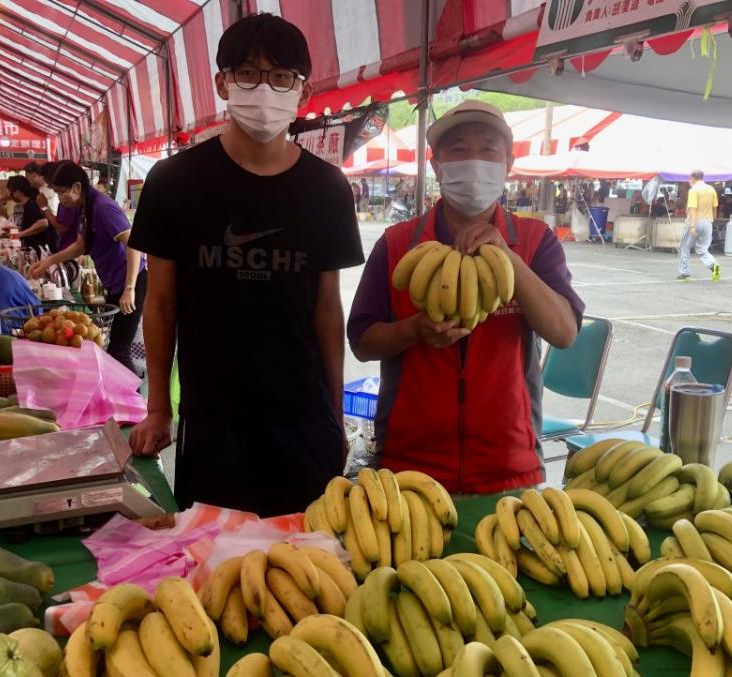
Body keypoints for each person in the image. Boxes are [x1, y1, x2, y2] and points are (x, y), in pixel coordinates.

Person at [126, 12, 363, 516]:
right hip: (213, 420)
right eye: (248, 74)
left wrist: (335, 418)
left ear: (303, 90)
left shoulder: (328, 188)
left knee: (306, 568)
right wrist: (157, 409)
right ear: (222, 82)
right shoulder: (174, 182)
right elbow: (161, 303)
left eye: (281, 77)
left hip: (301, 416)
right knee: (213, 566)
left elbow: (327, 310)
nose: (264, 89)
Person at [347, 100, 584, 493]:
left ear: (507, 165)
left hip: (510, 465)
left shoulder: (534, 241)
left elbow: (564, 332)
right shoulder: (398, 244)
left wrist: (507, 257)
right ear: (437, 165)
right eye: (458, 149)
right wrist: (414, 330)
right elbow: (362, 342)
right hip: (409, 467)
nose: (474, 160)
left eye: (488, 149)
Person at [28, 161, 145, 371]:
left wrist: (130, 289)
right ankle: (123, 397)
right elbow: (81, 245)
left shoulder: (103, 207)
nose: (61, 200)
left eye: (62, 193)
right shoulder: (86, 207)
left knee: (119, 349)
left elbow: (134, 245)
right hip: (116, 281)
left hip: (132, 279)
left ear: (77, 187)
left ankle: (134, 400)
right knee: (115, 349)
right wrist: (49, 261)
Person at [678, 170, 721, 281]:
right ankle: (713, 265)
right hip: (708, 222)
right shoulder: (711, 189)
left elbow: (693, 209)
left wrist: (692, 226)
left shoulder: (694, 190)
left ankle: (684, 273)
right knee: (702, 248)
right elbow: (714, 207)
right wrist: (713, 220)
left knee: (685, 247)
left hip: (695, 221)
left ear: (692, 178)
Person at [6, 176, 55, 252]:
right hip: (32, 248)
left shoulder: (32, 205)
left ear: (18, 191)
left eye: (11, 191)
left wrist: (21, 234)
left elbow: (43, 223)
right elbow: (29, 225)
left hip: (38, 249)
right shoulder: (25, 205)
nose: (9, 194)